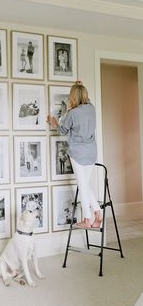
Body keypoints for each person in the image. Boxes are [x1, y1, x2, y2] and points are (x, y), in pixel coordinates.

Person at [47, 81, 102, 228]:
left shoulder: (72, 113)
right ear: (85, 95)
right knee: (85, 183)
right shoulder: (91, 108)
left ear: (73, 96)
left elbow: (62, 131)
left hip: (78, 153)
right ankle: (98, 212)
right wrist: (80, 87)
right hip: (91, 152)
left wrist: (53, 123)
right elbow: (85, 101)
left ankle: (88, 219)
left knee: (82, 185)